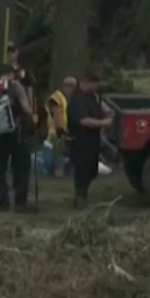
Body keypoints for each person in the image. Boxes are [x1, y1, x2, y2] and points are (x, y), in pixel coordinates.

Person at [0, 64, 35, 212]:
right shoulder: (16, 87)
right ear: (11, 74)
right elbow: (26, 108)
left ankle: (2, 201)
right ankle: (20, 201)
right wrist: (32, 118)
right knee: (21, 166)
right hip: (16, 133)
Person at [67, 71, 114, 209]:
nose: (96, 87)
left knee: (92, 169)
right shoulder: (77, 99)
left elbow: (100, 109)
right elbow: (84, 120)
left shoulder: (92, 96)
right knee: (83, 169)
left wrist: (106, 112)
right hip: (81, 139)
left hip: (93, 139)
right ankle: (79, 197)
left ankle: (83, 194)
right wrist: (104, 123)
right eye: (95, 84)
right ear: (86, 82)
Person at [46, 76, 76, 177]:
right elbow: (56, 113)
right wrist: (60, 129)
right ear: (66, 86)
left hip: (65, 130)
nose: (72, 89)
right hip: (56, 130)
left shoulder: (67, 99)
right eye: (71, 86)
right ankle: (58, 171)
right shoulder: (56, 97)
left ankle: (70, 170)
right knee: (59, 149)